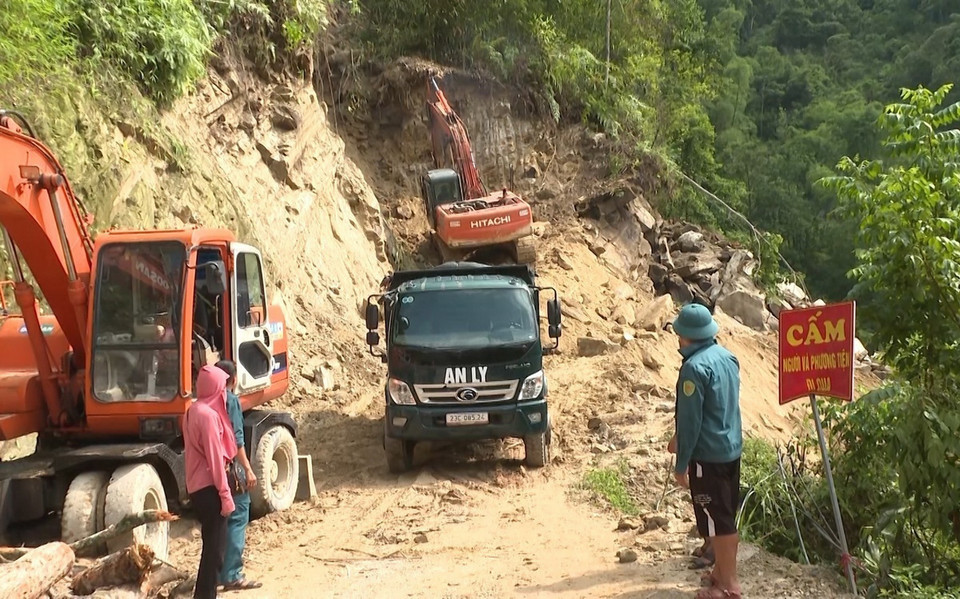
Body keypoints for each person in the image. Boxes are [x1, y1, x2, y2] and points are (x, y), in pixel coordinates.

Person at [668, 303, 743, 599]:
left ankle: (729, 585)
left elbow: (691, 422)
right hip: (730, 448)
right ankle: (721, 574)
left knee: (719, 522)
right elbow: (719, 406)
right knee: (724, 514)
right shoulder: (727, 357)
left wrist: (681, 463)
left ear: (685, 336)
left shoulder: (693, 369)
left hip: (707, 456)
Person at [183, 365, 237, 599]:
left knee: (210, 548)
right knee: (215, 552)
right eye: (222, 386)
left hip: (197, 487)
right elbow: (216, 460)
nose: (225, 391)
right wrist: (225, 496)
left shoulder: (193, 410)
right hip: (210, 489)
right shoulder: (208, 416)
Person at [214, 360, 262, 591]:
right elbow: (237, 440)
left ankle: (214, 574)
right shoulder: (230, 401)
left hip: (210, 471)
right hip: (232, 469)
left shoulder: (202, 403)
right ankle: (232, 575)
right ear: (233, 380)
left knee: (217, 523)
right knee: (238, 516)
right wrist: (248, 470)